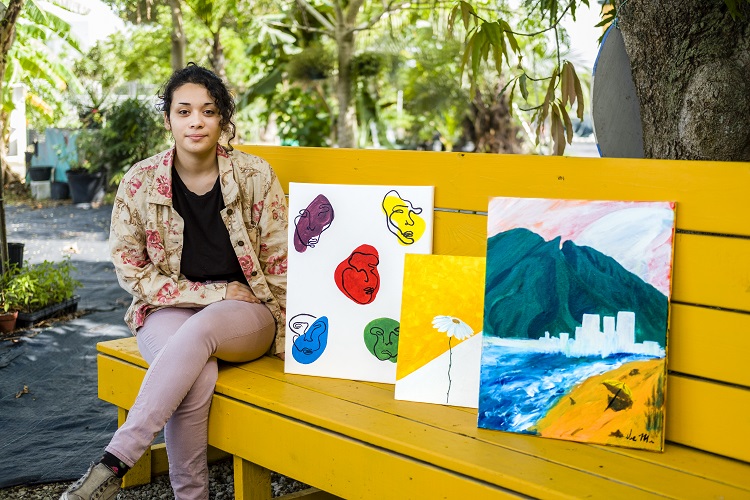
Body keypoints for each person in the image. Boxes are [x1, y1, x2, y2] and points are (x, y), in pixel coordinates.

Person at [60, 63, 288, 500]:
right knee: (196, 374)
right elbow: (132, 270)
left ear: (223, 118)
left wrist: (291, 344)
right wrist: (213, 291)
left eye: (208, 110)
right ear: (169, 120)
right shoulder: (140, 182)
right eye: (184, 111)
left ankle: (115, 460)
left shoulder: (255, 176)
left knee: (200, 329)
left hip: (246, 314)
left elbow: (279, 264)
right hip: (168, 310)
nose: (196, 121)